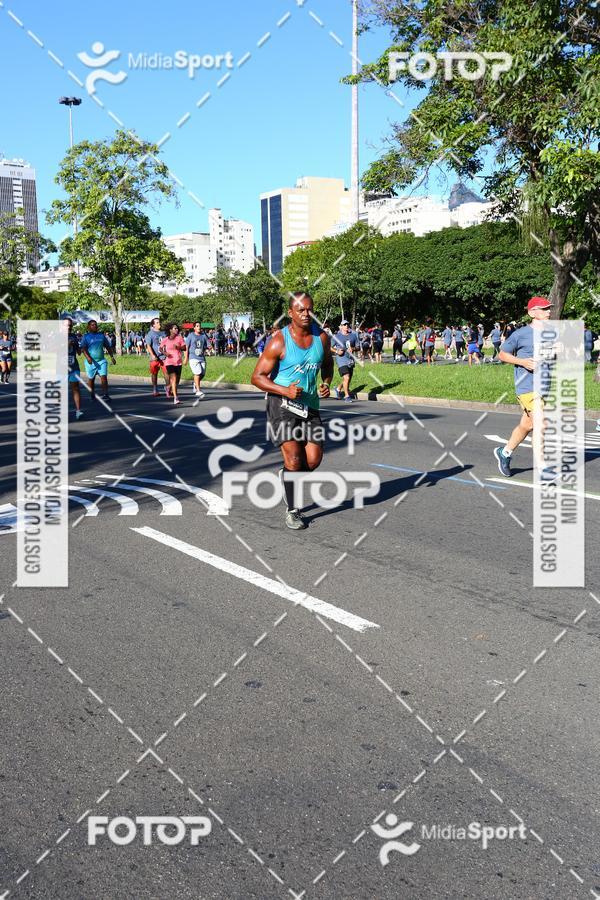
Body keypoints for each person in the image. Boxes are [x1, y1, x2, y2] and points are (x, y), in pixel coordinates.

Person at [250, 292, 333, 530]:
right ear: (291, 313)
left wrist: (326, 383)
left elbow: (327, 364)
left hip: (310, 405)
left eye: (309, 309)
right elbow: (257, 377)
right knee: (295, 459)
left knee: (313, 460)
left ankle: (287, 474)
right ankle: (293, 510)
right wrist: (284, 390)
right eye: (301, 310)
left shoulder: (322, 338)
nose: (306, 314)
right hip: (282, 405)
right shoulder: (279, 341)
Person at [494, 296, 554, 477]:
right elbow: (502, 355)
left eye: (548, 308)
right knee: (541, 423)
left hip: (543, 386)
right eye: (544, 309)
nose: (549, 311)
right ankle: (543, 468)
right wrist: (522, 362)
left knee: (526, 425)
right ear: (532, 313)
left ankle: (504, 453)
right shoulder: (520, 334)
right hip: (527, 386)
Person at [80, 319, 116, 401]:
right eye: (92, 325)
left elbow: (107, 346)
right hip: (90, 362)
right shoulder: (86, 337)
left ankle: (105, 394)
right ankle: (92, 394)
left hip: (101, 361)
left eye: (95, 324)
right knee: (91, 379)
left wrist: (112, 357)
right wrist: (88, 357)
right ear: (88, 327)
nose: (95, 326)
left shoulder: (101, 336)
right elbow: (83, 348)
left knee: (104, 377)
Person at [332, 319, 360, 402]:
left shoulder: (353, 336)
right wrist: (337, 351)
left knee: (347, 378)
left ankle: (338, 388)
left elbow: (358, 347)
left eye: (347, 324)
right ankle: (347, 396)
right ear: (341, 326)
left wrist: (353, 348)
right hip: (341, 359)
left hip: (350, 360)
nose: (346, 326)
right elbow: (329, 347)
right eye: (344, 325)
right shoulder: (337, 336)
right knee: (346, 377)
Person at [159, 323, 186, 405]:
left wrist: (178, 347)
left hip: (178, 362)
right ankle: (176, 398)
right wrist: (165, 353)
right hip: (169, 362)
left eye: (177, 328)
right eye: (175, 328)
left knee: (176, 381)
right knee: (173, 379)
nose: (176, 330)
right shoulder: (165, 339)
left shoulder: (179, 338)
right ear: (170, 330)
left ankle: (168, 388)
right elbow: (160, 348)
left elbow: (184, 347)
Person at [184, 322, 209, 397]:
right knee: (197, 372)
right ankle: (198, 390)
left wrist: (208, 350)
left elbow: (206, 346)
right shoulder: (191, 335)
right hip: (193, 357)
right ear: (194, 328)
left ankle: (195, 383)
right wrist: (186, 358)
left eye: (199, 326)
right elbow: (186, 347)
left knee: (203, 373)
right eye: (197, 326)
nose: (199, 327)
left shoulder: (203, 336)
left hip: (201, 357)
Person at [65, 318, 83, 419]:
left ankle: (78, 411)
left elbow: (79, 352)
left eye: (70, 325)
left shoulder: (74, 336)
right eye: (67, 325)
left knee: (76, 388)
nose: (69, 327)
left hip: (73, 366)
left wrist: (80, 346)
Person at [146, 317, 168, 397]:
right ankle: (155, 388)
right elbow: (148, 345)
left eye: (159, 322)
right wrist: (152, 355)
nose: (159, 324)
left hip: (164, 356)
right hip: (155, 357)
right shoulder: (150, 334)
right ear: (153, 325)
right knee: (154, 373)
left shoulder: (164, 333)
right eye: (157, 323)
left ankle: (168, 387)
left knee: (166, 372)